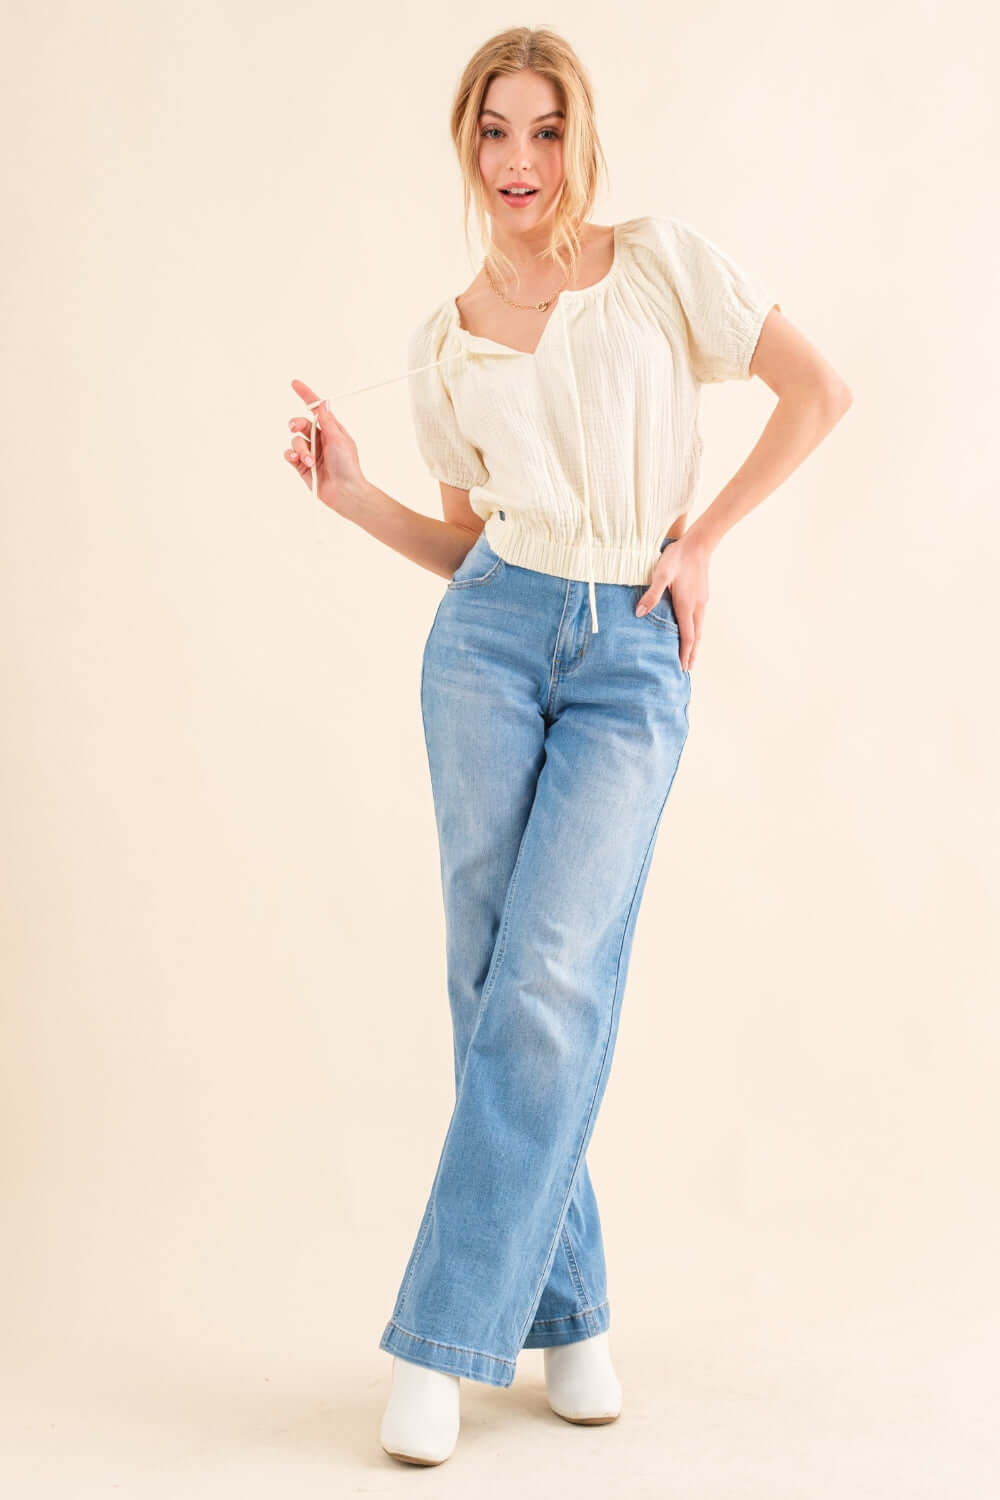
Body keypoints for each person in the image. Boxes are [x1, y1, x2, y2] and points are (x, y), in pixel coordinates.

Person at [282, 28, 852, 1468]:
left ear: (578, 139)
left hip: (630, 649)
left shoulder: (660, 265)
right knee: (494, 985)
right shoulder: (446, 334)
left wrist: (703, 539)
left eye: (544, 131)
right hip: (483, 646)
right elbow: (466, 547)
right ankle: (574, 1311)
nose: (521, 161)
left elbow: (818, 391)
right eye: (494, 134)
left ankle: (440, 1339)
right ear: (466, 148)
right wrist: (352, 497)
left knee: (549, 974)